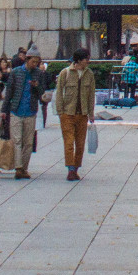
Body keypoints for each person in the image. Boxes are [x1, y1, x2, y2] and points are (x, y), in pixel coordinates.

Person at [54, 47, 97, 182]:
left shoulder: (89, 74)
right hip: (68, 113)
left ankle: (76, 168)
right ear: (78, 60)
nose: (88, 61)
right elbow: (59, 93)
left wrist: (91, 113)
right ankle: (70, 169)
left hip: (82, 114)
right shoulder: (65, 73)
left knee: (80, 144)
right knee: (68, 142)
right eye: (86, 59)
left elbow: (91, 95)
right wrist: (60, 111)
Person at [0, 54, 40, 178]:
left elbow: (42, 92)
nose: (35, 64)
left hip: (30, 111)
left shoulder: (38, 73)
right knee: (16, 140)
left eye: (37, 62)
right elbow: (9, 92)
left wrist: (37, 86)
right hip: (16, 110)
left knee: (28, 142)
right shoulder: (16, 72)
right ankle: (18, 167)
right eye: (33, 61)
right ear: (27, 60)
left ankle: (24, 168)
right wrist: (4, 109)